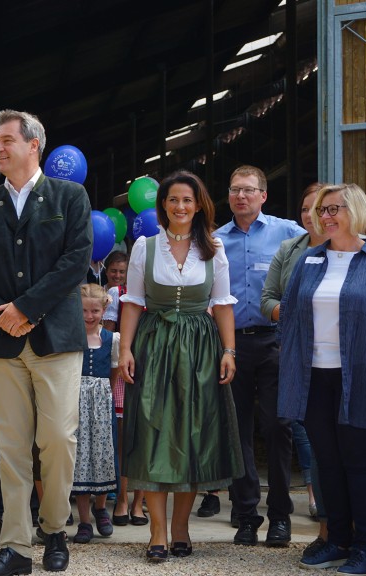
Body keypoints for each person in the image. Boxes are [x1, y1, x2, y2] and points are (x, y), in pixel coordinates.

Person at [0, 109, 92, 576]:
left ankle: (55, 527)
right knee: (10, 447)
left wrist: (25, 309)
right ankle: (16, 547)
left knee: (57, 439)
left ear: (34, 145)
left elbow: (76, 261)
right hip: (2, 343)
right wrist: (3, 314)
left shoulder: (69, 196)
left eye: (7, 140)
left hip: (56, 339)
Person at [278, 183, 366, 575]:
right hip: (314, 376)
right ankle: (337, 540)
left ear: (356, 211)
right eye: (322, 210)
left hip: (364, 378)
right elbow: (290, 316)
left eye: (334, 209)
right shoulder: (309, 260)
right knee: (326, 462)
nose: (326, 217)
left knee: (359, 462)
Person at [119, 170, 243, 562]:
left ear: (199, 205)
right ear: (163, 205)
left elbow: (222, 303)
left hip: (200, 348)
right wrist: (125, 349)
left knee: (193, 436)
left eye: (187, 200)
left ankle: (181, 528)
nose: (180, 206)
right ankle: (156, 532)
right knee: (154, 433)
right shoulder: (144, 246)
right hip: (154, 345)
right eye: (173, 199)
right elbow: (134, 302)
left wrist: (229, 351)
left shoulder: (213, 248)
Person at [214, 165, 304, 546]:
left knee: (278, 426)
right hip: (232, 346)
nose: (241, 196)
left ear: (263, 195)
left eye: (249, 190)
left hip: (276, 343)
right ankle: (247, 514)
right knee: (238, 430)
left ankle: (280, 516)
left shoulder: (290, 233)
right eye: (235, 190)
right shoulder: (215, 240)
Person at [260, 182, 328, 549]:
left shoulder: (357, 250)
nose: (311, 215)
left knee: (332, 436)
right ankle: (294, 510)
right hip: (292, 353)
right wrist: (289, 313)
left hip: (336, 359)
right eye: (305, 209)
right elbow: (267, 298)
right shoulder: (289, 249)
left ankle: (337, 521)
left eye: (319, 207)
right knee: (290, 428)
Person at [103, 252, 149, 527]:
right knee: (121, 439)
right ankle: (121, 499)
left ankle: (138, 503)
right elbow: (108, 335)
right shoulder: (115, 292)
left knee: (144, 439)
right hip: (122, 368)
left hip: (151, 368)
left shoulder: (154, 290)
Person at [71, 284, 118, 544]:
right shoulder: (72, 336)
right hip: (75, 403)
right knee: (79, 459)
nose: (89, 316)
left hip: (100, 404)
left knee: (102, 455)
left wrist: (103, 398)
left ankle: (101, 508)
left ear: (104, 310)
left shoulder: (112, 339)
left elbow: (113, 375)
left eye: (95, 311)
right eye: (85, 311)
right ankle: (84, 520)